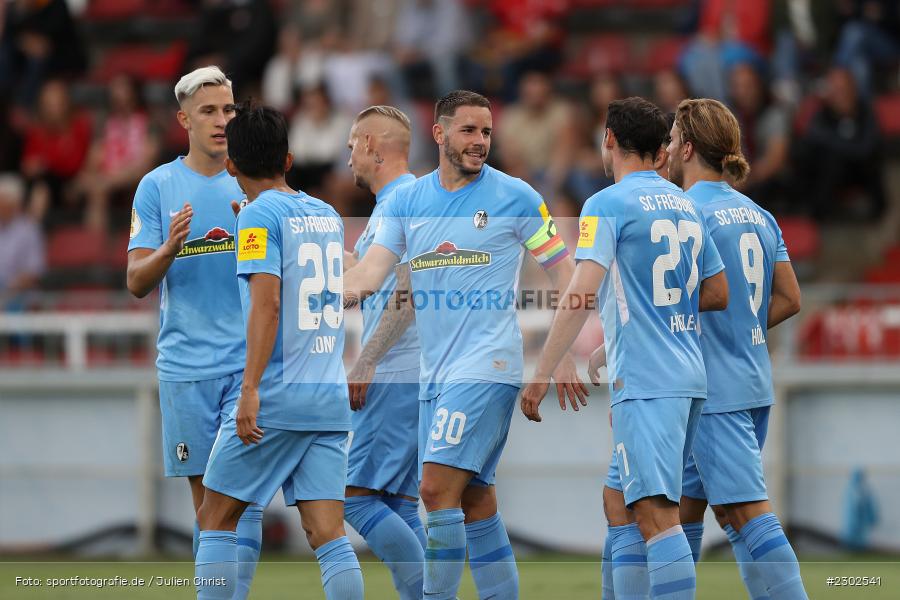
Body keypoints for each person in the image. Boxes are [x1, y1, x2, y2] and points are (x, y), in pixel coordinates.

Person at [344, 89, 584, 600]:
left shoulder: (516, 197)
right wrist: (340, 288)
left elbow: (566, 274)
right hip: (435, 377)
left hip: (487, 366)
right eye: (469, 131)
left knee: (433, 490)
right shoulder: (409, 202)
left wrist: (558, 353)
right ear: (440, 133)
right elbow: (374, 270)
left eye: (487, 133)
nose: (480, 142)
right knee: (476, 503)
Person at [521, 97, 729, 600]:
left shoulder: (606, 204)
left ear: (609, 140)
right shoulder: (685, 202)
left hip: (648, 382)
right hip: (686, 374)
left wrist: (544, 369)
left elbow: (580, 292)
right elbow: (717, 291)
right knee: (620, 502)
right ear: (662, 150)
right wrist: (622, 337)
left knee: (657, 515)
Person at [195, 103, 363, 600]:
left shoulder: (258, 218)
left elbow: (266, 306)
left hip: (276, 396)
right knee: (328, 535)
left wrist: (248, 390)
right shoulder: (326, 215)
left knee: (215, 517)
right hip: (326, 397)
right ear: (289, 160)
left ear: (230, 166)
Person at [125, 66, 262, 599]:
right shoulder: (157, 186)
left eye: (228, 110)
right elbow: (136, 280)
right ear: (183, 119)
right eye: (209, 111)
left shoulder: (249, 179)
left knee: (235, 497)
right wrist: (167, 250)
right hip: (185, 369)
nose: (222, 120)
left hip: (244, 366)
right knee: (208, 504)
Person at [668, 98, 807, 600]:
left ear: (686, 148)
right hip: (751, 379)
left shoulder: (687, 215)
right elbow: (790, 298)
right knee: (694, 508)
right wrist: (745, 325)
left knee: (748, 511)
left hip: (712, 389)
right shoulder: (757, 213)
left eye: (671, 138)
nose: (665, 147)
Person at [343, 105, 424, 599]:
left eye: (353, 144)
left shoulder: (405, 202)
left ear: (373, 145)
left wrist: (369, 357)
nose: (348, 155)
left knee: (354, 499)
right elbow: (374, 278)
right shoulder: (398, 202)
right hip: (412, 368)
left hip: (396, 368)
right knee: (398, 502)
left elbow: (408, 290)